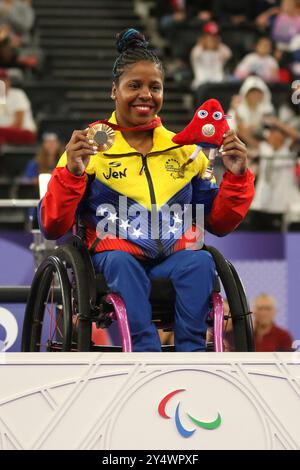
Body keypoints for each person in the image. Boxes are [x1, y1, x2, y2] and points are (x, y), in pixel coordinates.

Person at [39, 28, 255, 352]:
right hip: (114, 257)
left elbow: (219, 223)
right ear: (115, 91)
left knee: (199, 262)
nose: (145, 95)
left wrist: (237, 177)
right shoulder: (87, 148)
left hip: (173, 257)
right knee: (122, 264)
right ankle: (144, 351)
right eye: (134, 86)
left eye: (155, 87)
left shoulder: (185, 150)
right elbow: (52, 225)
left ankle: (192, 352)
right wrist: (71, 172)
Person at [190, 21, 232, 90]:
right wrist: (203, 45)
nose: (212, 39)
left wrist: (218, 45)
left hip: (218, 83)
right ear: (204, 36)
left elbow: (229, 54)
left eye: (214, 36)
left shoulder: (220, 50)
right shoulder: (198, 49)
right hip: (201, 83)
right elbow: (194, 55)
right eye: (209, 36)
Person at [0, 67, 37, 144]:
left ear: (8, 82)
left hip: (24, 132)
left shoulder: (17, 94)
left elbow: (18, 123)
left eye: (3, 80)